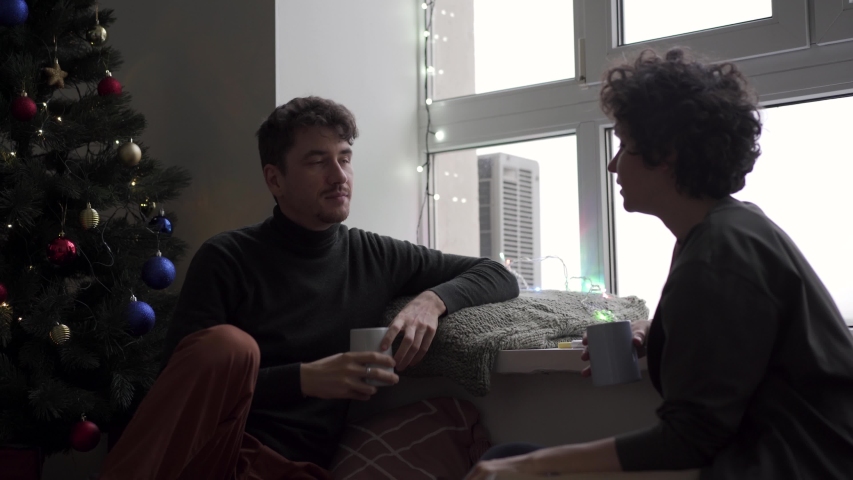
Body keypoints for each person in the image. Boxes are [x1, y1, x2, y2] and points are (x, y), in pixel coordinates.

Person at [466, 49, 853, 480]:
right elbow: (730, 330)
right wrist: (649, 332)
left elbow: (690, 439)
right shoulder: (731, 230)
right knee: (508, 453)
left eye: (625, 147)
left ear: (665, 154)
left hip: (797, 467)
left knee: (507, 460)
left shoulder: (716, 257)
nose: (613, 165)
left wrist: (528, 466)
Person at [100, 96, 520, 480]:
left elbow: (497, 273)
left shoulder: (375, 256)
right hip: (210, 453)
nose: (339, 176)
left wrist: (433, 301)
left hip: (292, 469)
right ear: (275, 179)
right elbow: (182, 390)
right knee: (230, 347)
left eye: (345, 158)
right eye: (318, 161)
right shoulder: (227, 257)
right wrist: (303, 379)